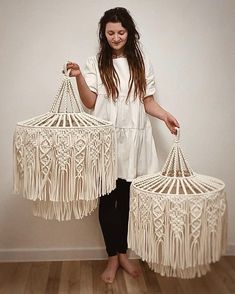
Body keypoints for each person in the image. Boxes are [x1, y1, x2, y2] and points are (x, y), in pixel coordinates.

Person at [67, 7, 179, 284]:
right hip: (105, 140)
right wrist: (80, 76)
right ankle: (112, 257)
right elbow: (90, 103)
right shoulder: (95, 63)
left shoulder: (142, 63)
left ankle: (124, 253)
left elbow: (147, 101)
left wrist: (164, 115)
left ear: (129, 33)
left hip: (134, 140)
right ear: (104, 35)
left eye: (120, 32)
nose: (116, 37)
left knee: (128, 201)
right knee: (106, 201)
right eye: (110, 33)